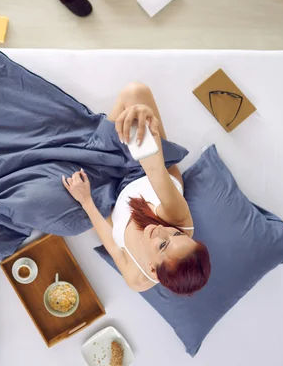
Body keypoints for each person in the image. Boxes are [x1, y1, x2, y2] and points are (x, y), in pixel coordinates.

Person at [62, 82, 211, 295]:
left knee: (66, 175)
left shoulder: (137, 279)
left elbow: (114, 247)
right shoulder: (178, 218)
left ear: (152, 269)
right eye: (177, 235)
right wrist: (144, 120)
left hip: (114, 196)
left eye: (162, 246)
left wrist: (86, 201)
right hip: (143, 171)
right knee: (135, 93)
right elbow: (155, 169)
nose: (162, 231)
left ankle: (100, 145)